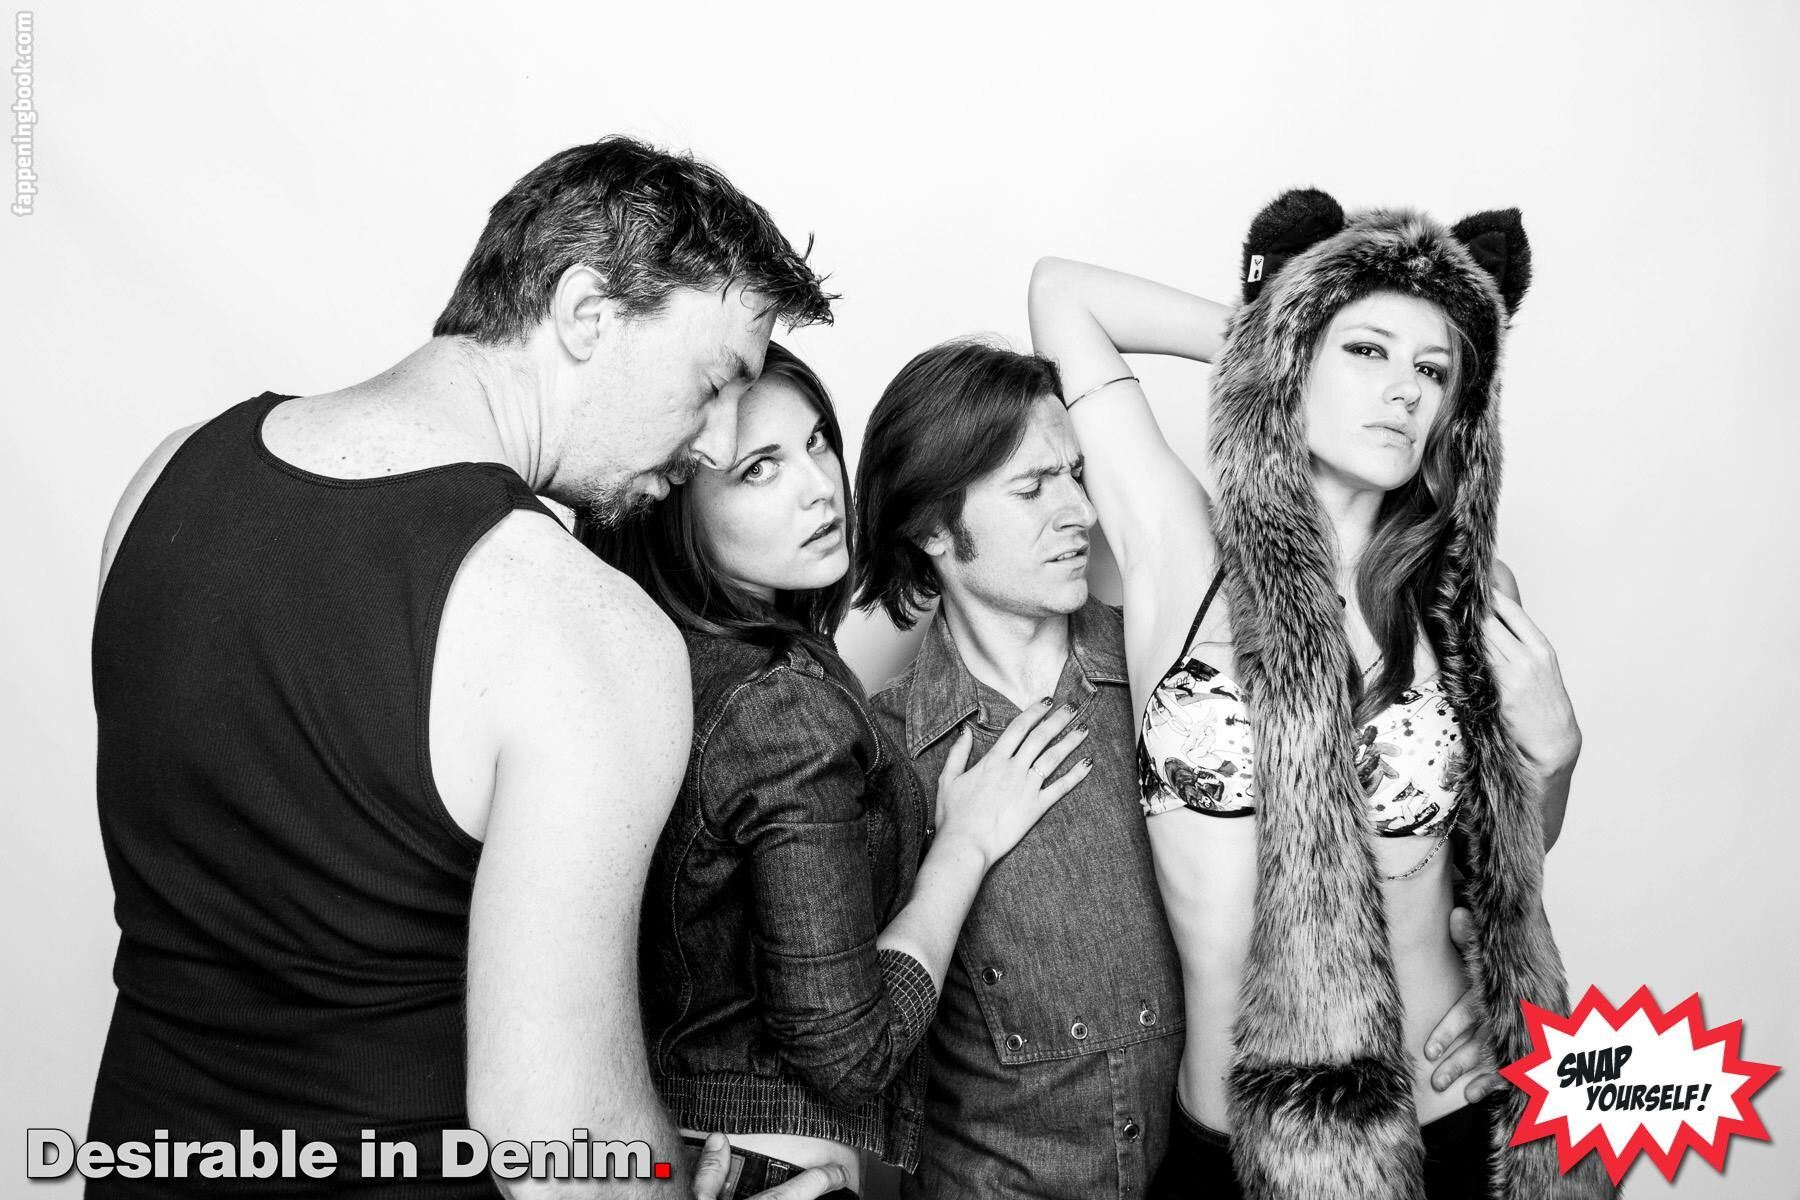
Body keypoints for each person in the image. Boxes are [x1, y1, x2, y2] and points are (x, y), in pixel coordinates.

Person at [88, 136, 842, 1199]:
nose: (719, 443)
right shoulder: (581, 624)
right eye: (715, 382)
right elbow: (558, 1136)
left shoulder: (165, 478)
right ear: (586, 313)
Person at [1027, 190, 1614, 1198]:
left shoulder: (1468, 595)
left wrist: (1555, 758)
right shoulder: (1183, 553)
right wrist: (1276, 335)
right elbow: (1062, 296)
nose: (1403, 391)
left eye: (1433, 370)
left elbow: (1502, 858)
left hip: (1450, 1124)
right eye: (1367, 352)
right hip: (1234, 1144)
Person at [853, 338, 1516, 1199]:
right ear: (933, 528)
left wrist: (1483, 982)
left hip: (1223, 1164)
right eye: (1033, 486)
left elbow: (1402, 834)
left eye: (1078, 475)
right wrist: (962, 847)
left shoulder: (1186, 679)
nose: (1082, 512)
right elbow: (846, 1030)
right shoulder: (883, 751)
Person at [581, 344, 1089, 1200]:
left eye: (817, 442)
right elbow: (851, 1054)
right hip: (770, 1171)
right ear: (673, 507)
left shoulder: (657, 667)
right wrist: (961, 848)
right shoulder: (782, 705)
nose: (820, 487)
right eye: (758, 469)